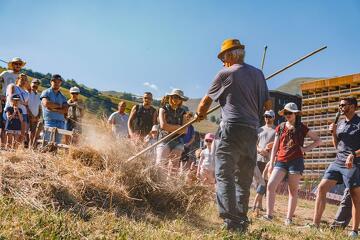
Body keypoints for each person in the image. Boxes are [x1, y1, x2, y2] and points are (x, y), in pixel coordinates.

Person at [196, 38, 272, 232]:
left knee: (224, 174)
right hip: (251, 130)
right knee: (244, 178)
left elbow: (205, 102)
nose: (222, 62)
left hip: (231, 129)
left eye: (223, 57)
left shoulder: (225, 73)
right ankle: (241, 219)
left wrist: (200, 114)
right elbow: (268, 105)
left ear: (230, 55)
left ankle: (231, 222)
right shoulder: (258, 74)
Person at [264, 102, 321, 225]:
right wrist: (271, 162)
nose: (288, 114)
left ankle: (288, 219)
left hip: (296, 162)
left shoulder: (302, 127)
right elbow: (275, 146)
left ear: (295, 114)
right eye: (286, 112)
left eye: (290, 112)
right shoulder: (280, 127)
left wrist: (305, 149)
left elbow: (318, 141)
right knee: (271, 185)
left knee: (293, 190)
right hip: (281, 161)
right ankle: (269, 215)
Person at [312, 97, 360, 238]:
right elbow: (336, 145)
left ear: (352, 106)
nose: (340, 107)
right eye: (339, 104)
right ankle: (315, 224)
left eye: (343, 105)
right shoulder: (340, 123)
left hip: (353, 164)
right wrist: (333, 133)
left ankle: (354, 231)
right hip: (337, 162)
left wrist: (353, 155)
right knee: (321, 188)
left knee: (355, 197)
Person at [156, 89, 188, 176]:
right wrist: (178, 127)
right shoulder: (163, 109)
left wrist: (170, 128)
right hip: (164, 139)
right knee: (160, 165)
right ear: (170, 97)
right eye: (175, 96)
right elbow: (163, 126)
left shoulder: (183, 112)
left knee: (174, 168)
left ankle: (170, 188)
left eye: (179, 98)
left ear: (181, 100)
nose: (176, 99)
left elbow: (185, 130)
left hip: (178, 142)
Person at [252, 110, 276, 212]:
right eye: (266, 116)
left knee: (266, 181)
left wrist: (268, 150)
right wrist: (260, 150)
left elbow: (277, 143)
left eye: (269, 116)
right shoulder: (259, 130)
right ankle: (259, 205)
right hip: (258, 158)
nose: (267, 118)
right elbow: (254, 143)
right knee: (258, 181)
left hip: (269, 160)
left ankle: (259, 204)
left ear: (273, 117)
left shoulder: (276, 130)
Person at [0, 57, 26, 147]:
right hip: (3, 100)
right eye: (16, 63)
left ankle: (7, 146)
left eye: (19, 64)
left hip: (16, 103)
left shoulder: (21, 77)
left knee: (10, 124)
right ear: (12, 64)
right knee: (3, 123)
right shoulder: (5, 73)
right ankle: (2, 145)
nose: (18, 65)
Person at [40, 74, 68, 144]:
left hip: (60, 122)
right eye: (55, 81)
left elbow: (65, 110)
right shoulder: (46, 92)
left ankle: (53, 154)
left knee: (57, 143)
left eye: (58, 82)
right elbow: (46, 104)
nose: (57, 83)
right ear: (51, 82)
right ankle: (44, 154)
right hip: (49, 121)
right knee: (46, 141)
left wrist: (54, 108)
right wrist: (59, 107)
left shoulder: (63, 97)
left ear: (60, 83)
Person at [5, 73, 30, 143]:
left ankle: (16, 151)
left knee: (21, 134)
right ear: (18, 79)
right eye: (22, 79)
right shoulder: (12, 86)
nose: (23, 81)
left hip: (23, 113)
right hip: (12, 111)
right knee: (10, 132)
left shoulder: (27, 93)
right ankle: (8, 150)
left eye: (25, 80)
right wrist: (21, 103)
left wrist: (19, 101)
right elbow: (11, 97)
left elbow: (26, 104)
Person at [28, 78, 42, 147]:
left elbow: (40, 108)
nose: (35, 85)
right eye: (34, 84)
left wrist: (38, 117)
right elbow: (26, 105)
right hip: (28, 116)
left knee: (33, 133)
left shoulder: (39, 95)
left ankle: (31, 147)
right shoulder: (27, 93)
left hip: (35, 118)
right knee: (26, 132)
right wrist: (31, 115)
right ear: (31, 84)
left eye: (37, 84)